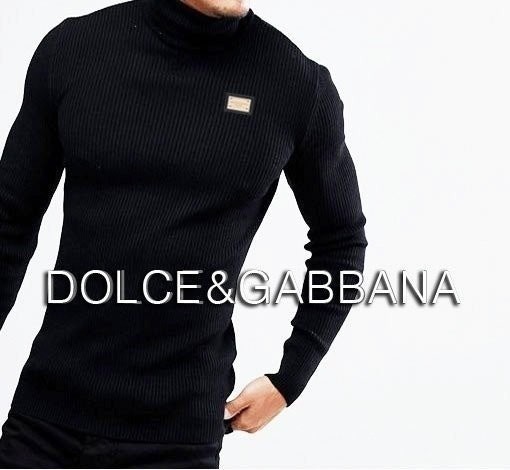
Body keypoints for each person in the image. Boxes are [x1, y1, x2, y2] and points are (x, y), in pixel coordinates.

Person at [0, 0, 367, 467]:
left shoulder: (296, 84)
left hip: (178, 439)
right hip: (45, 422)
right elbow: (10, 217)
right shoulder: (75, 49)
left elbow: (341, 241)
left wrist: (290, 378)